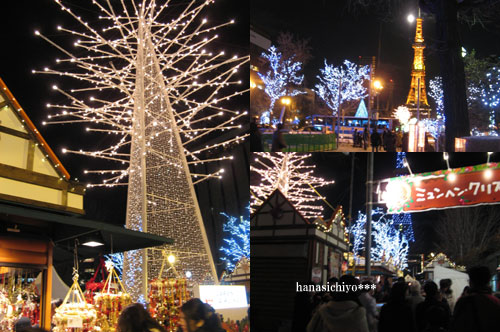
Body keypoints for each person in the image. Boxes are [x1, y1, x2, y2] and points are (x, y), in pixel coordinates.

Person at [450, 266, 500, 332]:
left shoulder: (463, 302)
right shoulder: (495, 302)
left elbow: (456, 325)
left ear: (471, 282)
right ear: (488, 281)